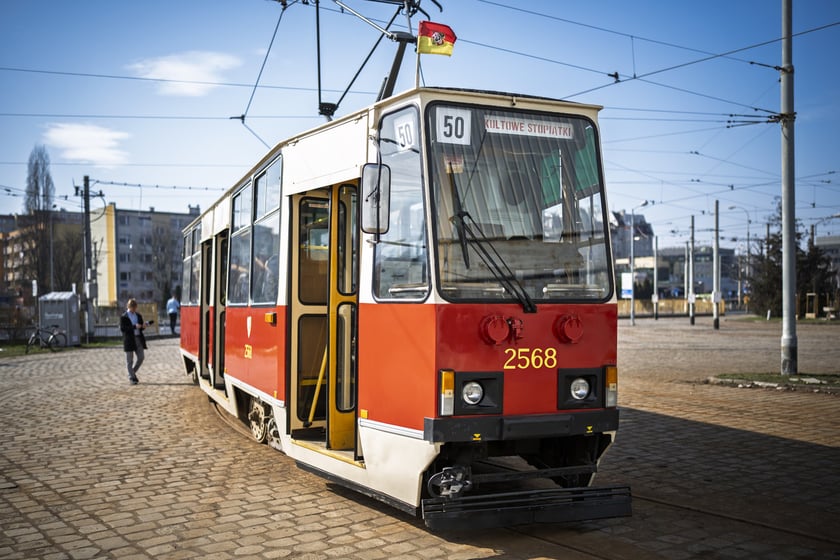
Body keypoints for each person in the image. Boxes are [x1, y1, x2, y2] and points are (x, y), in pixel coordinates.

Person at [120, 298, 148, 385]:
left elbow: (141, 326)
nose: (135, 309)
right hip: (129, 339)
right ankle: (132, 377)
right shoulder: (124, 316)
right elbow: (123, 329)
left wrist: (143, 326)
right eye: (133, 307)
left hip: (138, 338)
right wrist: (134, 326)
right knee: (129, 360)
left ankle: (132, 372)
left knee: (141, 357)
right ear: (129, 307)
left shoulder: (138, 315)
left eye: (135, 307)